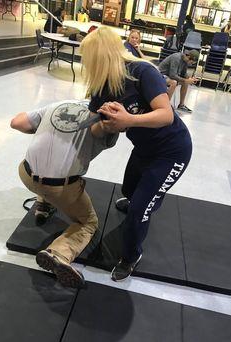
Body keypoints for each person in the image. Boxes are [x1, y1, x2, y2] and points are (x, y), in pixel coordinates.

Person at [80, 27, 192, 282]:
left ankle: (131, 257)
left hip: (173, 150)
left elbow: (165, 115)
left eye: (89, 59)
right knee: (129, 192)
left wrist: (129, 119)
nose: (87, 65)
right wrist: (106, 124)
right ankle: (147, 196)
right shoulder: (102, 88)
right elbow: (94, 130)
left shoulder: (142, 72)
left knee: (138, 210)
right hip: (144, 149)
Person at [10, 100, 118, 288]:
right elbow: (100, 132)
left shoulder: (60, 104)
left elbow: (16, 122)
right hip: (59, 189)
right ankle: (59, 253)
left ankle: (43, 205)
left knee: (47, 171)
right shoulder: (108, 120)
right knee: (88, 222)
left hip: (25, 174)